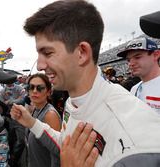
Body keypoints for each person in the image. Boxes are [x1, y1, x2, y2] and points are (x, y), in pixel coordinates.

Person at [10, 0, 160, 167]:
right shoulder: (74, 101)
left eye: (47, 53)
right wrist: (31, 122)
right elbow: (69, 145)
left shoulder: (136, 144)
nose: (40, 65)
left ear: (82, 52)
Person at [26, 73, 61, 167]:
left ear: (49, 92)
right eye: (31, 87)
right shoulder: (34, 109)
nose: (34, 91)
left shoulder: (50, 115)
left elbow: (57, 153)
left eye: (39, 88)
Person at [117, 37, 160, 113]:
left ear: (156, 55)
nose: (131, 64)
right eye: (128, 60)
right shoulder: (134, 89)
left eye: (137, 57)